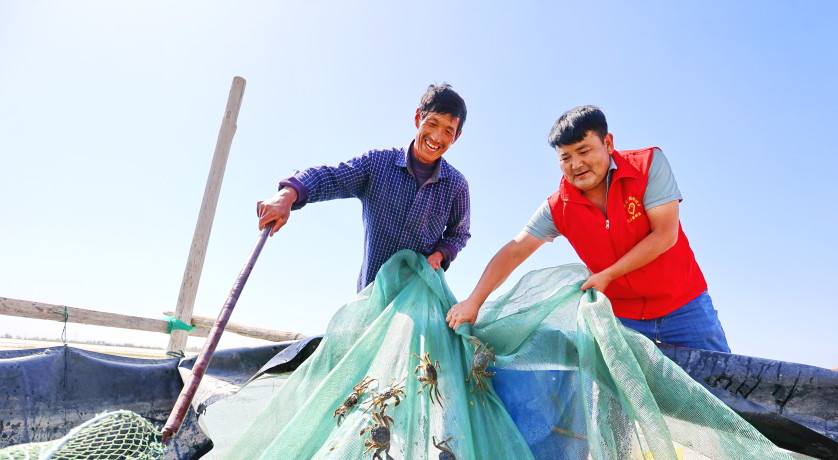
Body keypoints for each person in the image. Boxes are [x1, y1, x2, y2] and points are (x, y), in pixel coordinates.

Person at [446, 105, 730, 352]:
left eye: (584, 151)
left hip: (686, 306)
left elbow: (665, 235)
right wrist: (474, 302)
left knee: (728, 396)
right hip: (622, 321)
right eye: (565, 157)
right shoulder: (558, 207)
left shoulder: (649, 165)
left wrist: (608, 274)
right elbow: (514, 251)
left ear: (608, 142)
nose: (576, 164)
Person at [256, 84, 471, 291]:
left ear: (457, 136)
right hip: (371, 296)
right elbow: (331, 176)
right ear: (418, 118)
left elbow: (459, 233)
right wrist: (288, 193)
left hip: (419, 299)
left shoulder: (456, 185)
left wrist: (441, 254)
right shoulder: (377, 163)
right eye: (432, 124)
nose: (436, 137)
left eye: (447, 131)